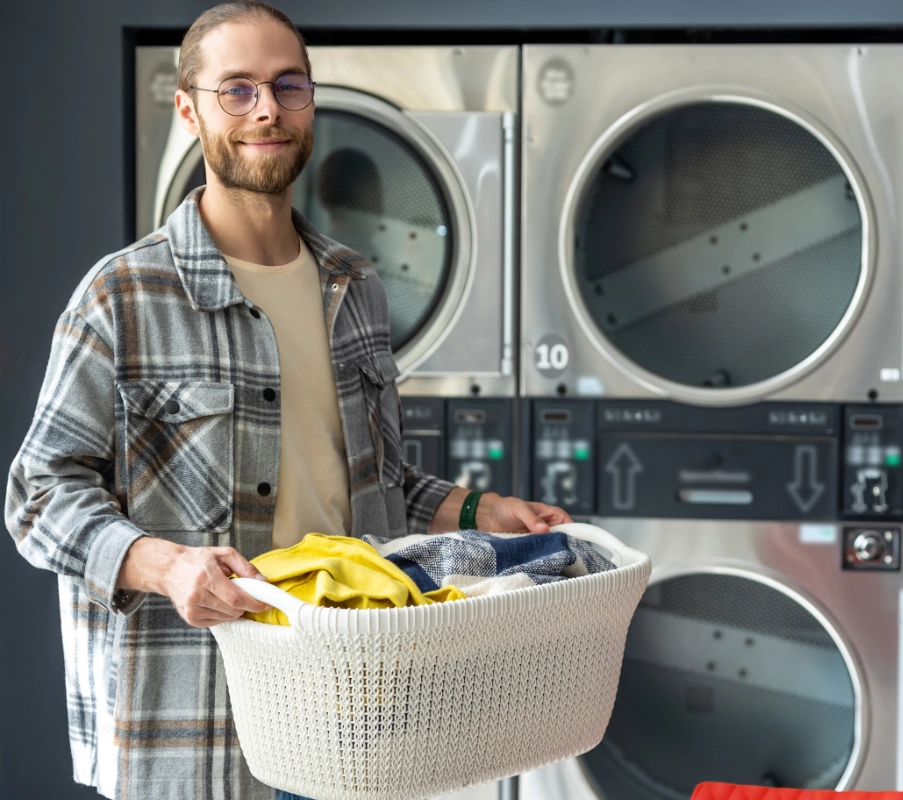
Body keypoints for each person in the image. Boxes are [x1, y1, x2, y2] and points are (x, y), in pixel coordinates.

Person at [3, 3, 570, 799]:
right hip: (194, 732)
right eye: (236, 89)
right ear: (189, 107)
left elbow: (377, 489)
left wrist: (481, 512)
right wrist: (166, 567)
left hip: (353, 711)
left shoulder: (356, 286)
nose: (266, 109)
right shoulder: (123, 294)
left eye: (287, 85)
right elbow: (36, 497)